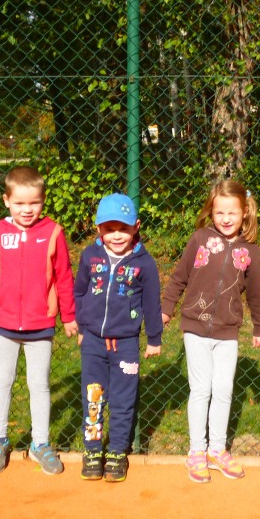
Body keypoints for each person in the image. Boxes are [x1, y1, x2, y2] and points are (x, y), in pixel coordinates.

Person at [161, 179, 260, 483]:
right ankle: (196, 451)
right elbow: (179, 277)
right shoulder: (200, 239)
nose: (226, 219)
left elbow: (257, 293)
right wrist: (166, 309)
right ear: (211, 212)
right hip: (195, 327)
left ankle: (217, 450)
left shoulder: (250, 250)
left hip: (227, 331)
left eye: (232, 213)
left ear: (245, 212)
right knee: (201, 389)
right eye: (219, 212)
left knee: (223, 389)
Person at [0, 166, 78, 475]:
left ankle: (40, 443)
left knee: (39, 385)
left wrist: (69, 316)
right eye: (19, 203)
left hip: (40, 325)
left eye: (34, 203)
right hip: (5, 324)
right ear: (6, 201)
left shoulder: (53, 233)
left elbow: (64, 277)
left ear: (43, 201)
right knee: (2, 382)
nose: (27, 209)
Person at [73, 193, 163, 483]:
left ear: (136, 226)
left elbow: (152, 303)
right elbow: (79, 292)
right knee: (94, 397)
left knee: (123, 400)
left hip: (125, 344)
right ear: (98, 228)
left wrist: (154, 338)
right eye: (109, 229)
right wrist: (82, 327)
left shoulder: (144, 263)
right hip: (93, 342)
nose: (116, 235)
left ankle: (117, 451)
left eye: (123, 228)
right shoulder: (90, 257)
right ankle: (92, 451)